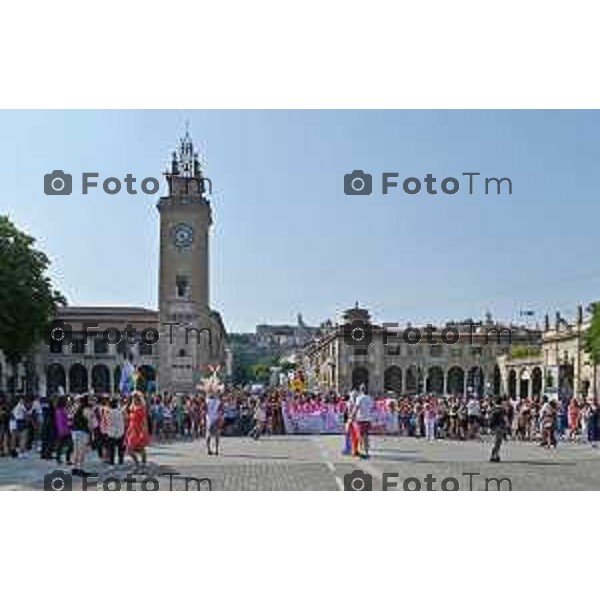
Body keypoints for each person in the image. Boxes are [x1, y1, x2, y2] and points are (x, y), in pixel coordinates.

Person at [125, 393, 150, 471]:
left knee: (141, 448)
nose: (133, 399)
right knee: (129, 449)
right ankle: (137, 463)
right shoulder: (131, 407)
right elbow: (128, 417)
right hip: (132, 429)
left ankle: (143, 464)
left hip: (139, 429)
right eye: (132, 398)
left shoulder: (142, 408)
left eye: (135, 398)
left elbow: (144, 420)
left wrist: (143, 431)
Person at [71, 396, 92, 477]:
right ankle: (80, 469)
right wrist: (91, 432)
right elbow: (90, 422)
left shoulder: (75, 408)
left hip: (74, 431)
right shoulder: (86, 410)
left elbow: (71, 417)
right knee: (81, 451)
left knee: (75, 450)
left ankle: (74, 468)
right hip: (82, 432)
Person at [352, 385, 373, 459]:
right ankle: (367, 451)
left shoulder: (359, 398)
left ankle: (360, 451)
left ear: (360, 390)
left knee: (360, 436)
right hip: (368, 419)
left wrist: (352, 416)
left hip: (360, 419)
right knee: (366, 436)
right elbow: (371, 408)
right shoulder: (370, 398)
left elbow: (356, 408)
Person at [106, 398, 125, 465]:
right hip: (120, 431)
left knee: (112, 449)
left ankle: (112, 462)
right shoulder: (120, 411)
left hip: (111, 432)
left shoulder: (108, 412)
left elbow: (108, 422)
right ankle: (121, 461)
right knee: (121, 448)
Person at [54, 397, 73, 465]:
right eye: (66, 401)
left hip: (67, 429)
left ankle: (65, 459)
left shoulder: (66, 409)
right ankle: (60, 458)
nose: (68, 402)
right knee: (62, 445)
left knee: (67, 445)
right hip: (63, 430)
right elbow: (60, 422)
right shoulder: (60, 410)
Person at [489, 399, 506, 463]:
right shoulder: (502, 410)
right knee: (498, 442)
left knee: (496, 441)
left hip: (494, 426)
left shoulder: (493, 409)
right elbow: (504, 418)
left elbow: (490, 418)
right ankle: (495, 455)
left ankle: (495, 455)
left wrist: (490, 427)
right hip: (500, 426)